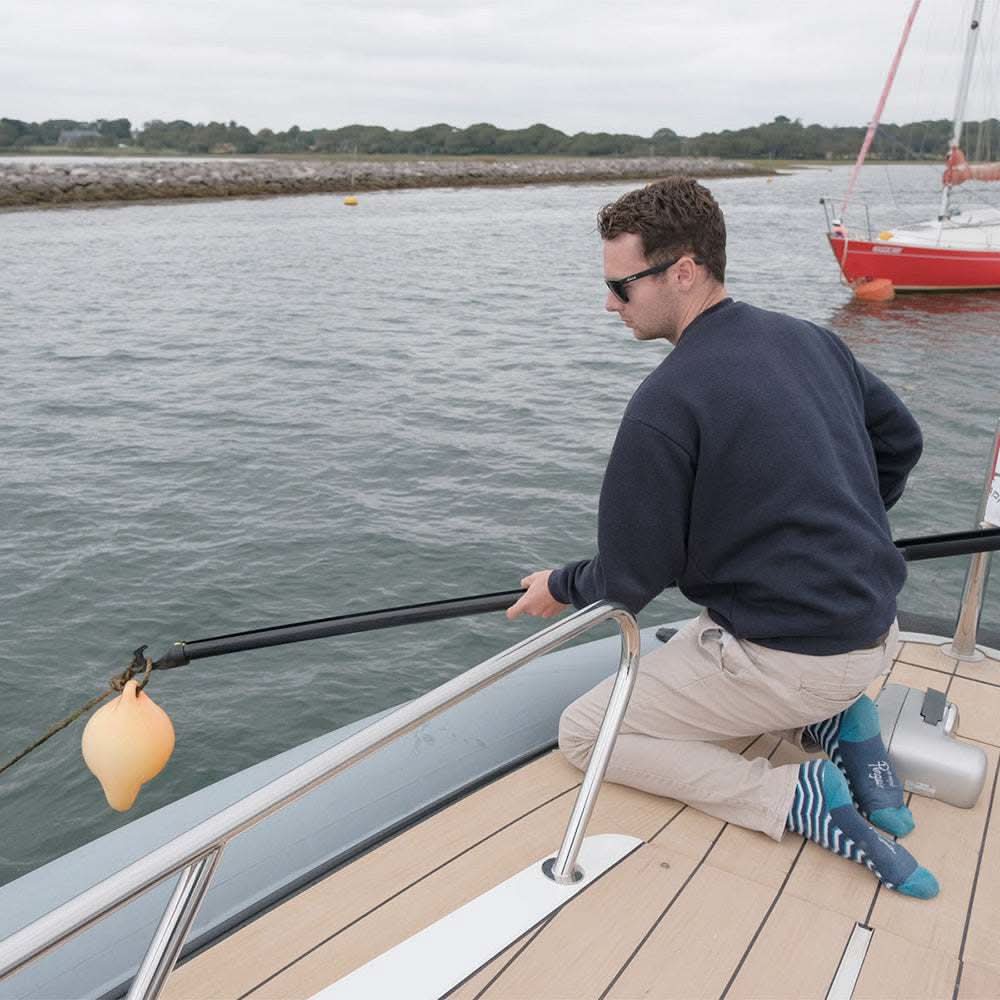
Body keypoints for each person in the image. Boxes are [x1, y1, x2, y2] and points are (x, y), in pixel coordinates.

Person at [506, 176, 937, 899]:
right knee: (706, 635)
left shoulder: (666, 402)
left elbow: (629, 580)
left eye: (622, 285)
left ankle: (790, 797)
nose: (609, 303)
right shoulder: (810, 341)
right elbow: (901, 441)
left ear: (684, 270)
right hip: (873, 630)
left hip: (791, 658)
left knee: (585, 733)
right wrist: (841, 518)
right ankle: (840, 716)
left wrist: (559, 584)